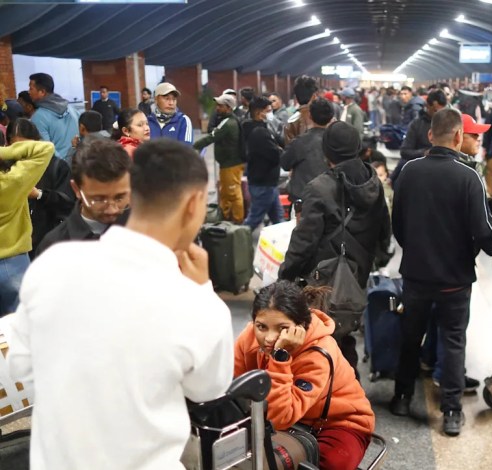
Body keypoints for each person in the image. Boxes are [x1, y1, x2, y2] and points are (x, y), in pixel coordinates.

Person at [6, 139, 234, 469]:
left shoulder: (49, 265)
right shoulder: (197, 303)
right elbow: (207, 390)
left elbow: (21, 365)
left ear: (131, 192)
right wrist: (203, 291)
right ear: (194, 204)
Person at [390, 108, 492, 437]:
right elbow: (483, 230)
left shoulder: (409, 171)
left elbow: (398, 223)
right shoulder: (468, 177)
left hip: (416, 275)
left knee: (411, 337)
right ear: (458, 136)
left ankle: (401, 397)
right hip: (455, 279)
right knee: (453, 341)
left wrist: (416, 251)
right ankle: (451, 412)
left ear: (430, 135)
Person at [278, 121, 392, 371]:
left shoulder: (319, 188)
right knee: (344, 336)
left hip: (323, 280)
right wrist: (370, 263)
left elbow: (304, 241)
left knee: (321, 341)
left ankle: (331, 388)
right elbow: (385, 232)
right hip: (357, 276)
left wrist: (285, 275)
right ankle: (349, 387)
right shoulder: (373, 182)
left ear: (326, 151)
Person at [234, 281, 375, 470]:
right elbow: (233, 388)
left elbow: (280, 417)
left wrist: (280, 357)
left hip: (338, 422)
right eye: (261, 326)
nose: (269, 337)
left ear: (300, 326)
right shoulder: (249, 337)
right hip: (283, 417)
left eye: (282, 328)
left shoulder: (318, 353)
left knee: (329, 464)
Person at [36, 139, 131, 257]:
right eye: (99, 199)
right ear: (76, 189)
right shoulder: (54, 248)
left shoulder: (145, 232)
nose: (112, 209)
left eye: (119, 198)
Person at [0, 133, 54, 316]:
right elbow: (45, 149)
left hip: (13, 261)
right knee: (22, 324)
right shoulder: (11, 181)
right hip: (13, 260)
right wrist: (5, 152)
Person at [6, 119, 76, 257]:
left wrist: (39, 194)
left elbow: (68, 203)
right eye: (17, 148)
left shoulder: (56, 166)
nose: (23, 153)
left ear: (37, 142)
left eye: (28, 147)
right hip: (13, 246)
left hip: (47, 243)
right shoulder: (5, 167)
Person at [194, 93, 244, 223]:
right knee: (226, 192)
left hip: (230, 164)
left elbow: (211, 137)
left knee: (233, 193)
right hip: (229, 164)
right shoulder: (230, 120)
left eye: (220, 106)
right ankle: (226, 218)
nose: (217, 108)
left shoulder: (228, 123)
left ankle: (238, 221)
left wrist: (194, 146)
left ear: (228, 108)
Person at [242, 97, 284, 232]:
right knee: (253, 220)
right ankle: (237, 240)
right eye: (268, 111)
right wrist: (279, 150)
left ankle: (283, 241)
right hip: (263, 183)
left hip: (267, 182)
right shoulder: (259, 133)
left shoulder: (259, 129)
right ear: (260, 113)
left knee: (278, 218)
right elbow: (274, 155)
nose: (271, 114)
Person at [280, 98, 334, 202]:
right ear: (331, 117)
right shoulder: (337, 141)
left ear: (310, 116)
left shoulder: (299, 142)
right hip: (330, 197)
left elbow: (285, 164)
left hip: (303, 197)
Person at [390, 90, 448, 186]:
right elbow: (404, 151)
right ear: (428, 106)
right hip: (421, 171)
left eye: (442, 111)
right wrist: (424, 153)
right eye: (436, 110)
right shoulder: (417, 124)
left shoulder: (449, 124)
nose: (439, 114)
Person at [28, 73, 80, 159]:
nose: (29, 92)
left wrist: (62, 164)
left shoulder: (38, 117)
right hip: (78, 162)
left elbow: (46, 150)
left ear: (42, 92)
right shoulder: (72, 109)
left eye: (31, 88)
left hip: (58, 165)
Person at [284, 76, 318, 145]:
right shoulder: (327, 118)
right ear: (314, 96)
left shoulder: (290, 123)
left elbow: (289, 148)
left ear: (296, 98)